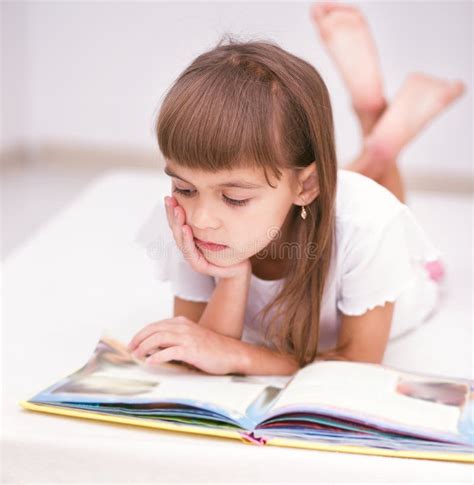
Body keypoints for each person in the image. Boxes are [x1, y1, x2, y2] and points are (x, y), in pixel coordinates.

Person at [127, 2, 465, 376]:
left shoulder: (368, 225)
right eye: (184, 188)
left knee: (367, 206)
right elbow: (202, 351)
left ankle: (374, 127)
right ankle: (377, 134)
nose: (203, 219)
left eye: (235, 197)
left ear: (308, 186)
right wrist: (232, 277)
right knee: (326, 195)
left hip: (409, 277)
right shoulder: (191, 220)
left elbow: (357, 364)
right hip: (310, 198)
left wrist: (240, 357)